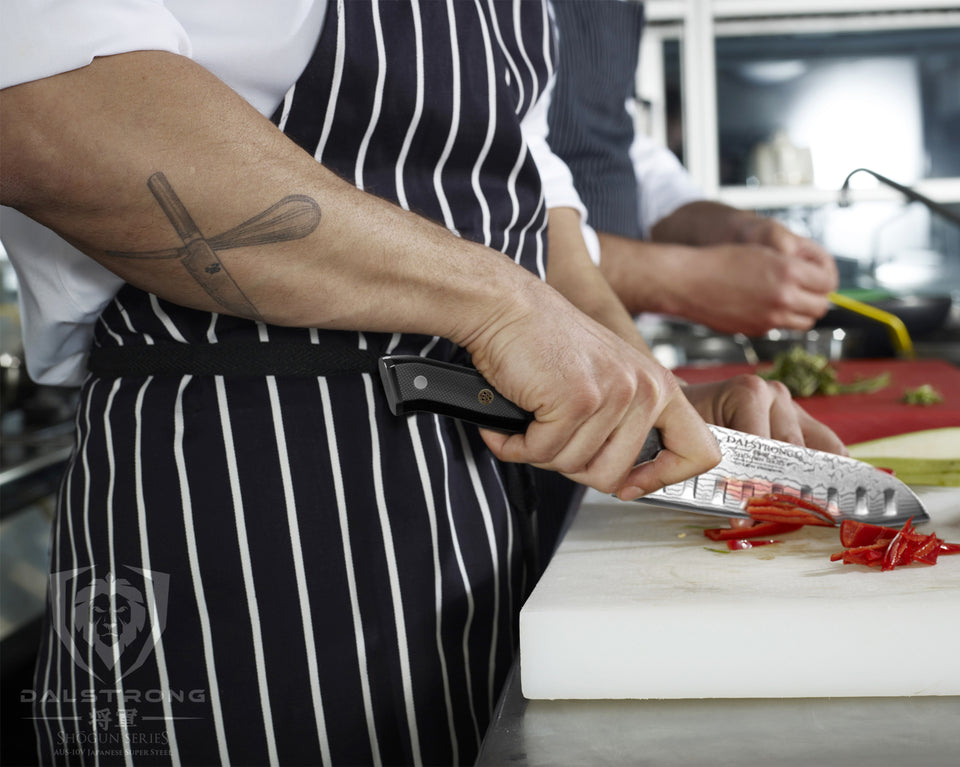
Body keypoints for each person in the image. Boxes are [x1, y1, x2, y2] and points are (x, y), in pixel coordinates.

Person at [0, 1, 843, 764]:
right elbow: (42, 104)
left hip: (493, 504)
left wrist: (647, 393)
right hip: (242, 489)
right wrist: (501, 308)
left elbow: (532, 198)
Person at [547, 0, 840, 338]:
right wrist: (684, 280)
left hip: (613, 340)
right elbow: (497, 203)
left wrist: (739, 230)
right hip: (526, 347)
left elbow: (611, 137)